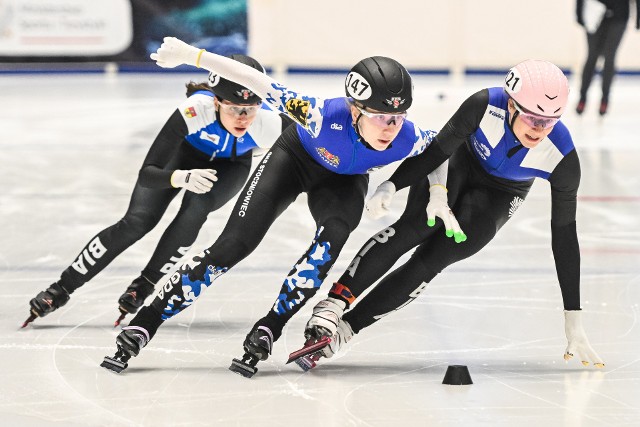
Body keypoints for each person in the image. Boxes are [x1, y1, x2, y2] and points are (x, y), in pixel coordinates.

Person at [100, 37, 463, 377]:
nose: (390, 128)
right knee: (232, 246)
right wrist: (191, 56)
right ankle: (147, 320)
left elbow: (440, 150)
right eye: (380, 116)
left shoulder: (407, 135)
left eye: (397, 118)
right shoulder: (319, 115)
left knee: (331, 242)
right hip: (293, 160)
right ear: (355, 110)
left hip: (343, 182)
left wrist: (434, 193)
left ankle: (271, 325)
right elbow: (256, 81)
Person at [303, 60, 605, 371]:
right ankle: (334, 303)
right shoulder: (484, 104)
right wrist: (393, 185)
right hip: (459, 162)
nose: (539, 129)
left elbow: (565, 236)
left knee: (434, 258)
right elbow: (437, 151)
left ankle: (346, 329)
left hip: (502, 194)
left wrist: (574, 318)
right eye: (532, 117)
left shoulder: (563, 158)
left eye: (550, 121)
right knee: (415, 226)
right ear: (511, 104)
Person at [23, 54, 293, 328]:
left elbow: (316, 141)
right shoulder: (195, 110)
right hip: (181, 159)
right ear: (216, 101)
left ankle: (145, 284)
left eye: (252, 107)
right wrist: (179, 177)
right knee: (137, 222)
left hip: (231, 166)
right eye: (234, 108)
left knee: (197, 208)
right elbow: (148, 174)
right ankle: (61, 289)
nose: (244, 117)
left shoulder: (268, 122)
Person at [575, 0, 640, 116]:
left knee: (610, 57)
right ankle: (582, 97)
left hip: (619, 14)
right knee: (592, 56)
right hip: (594, 11)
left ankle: (605, 99)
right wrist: (579, 13)